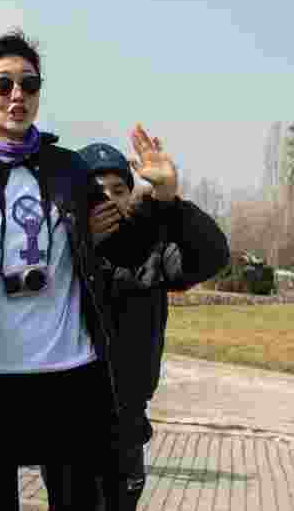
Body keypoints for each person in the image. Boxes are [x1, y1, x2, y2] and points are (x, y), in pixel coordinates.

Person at [0, 31, 170, 510]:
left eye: (29, 84)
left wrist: (159, 197)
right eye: (3, 85)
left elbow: (132, 251)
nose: (17, 95)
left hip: (68, 377)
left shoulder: (70, 172)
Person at [77, 141, 230, 509]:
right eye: (97, 191)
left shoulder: (151, 249)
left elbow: (211, 257)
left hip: (125, 423)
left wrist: (169, 201)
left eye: (119, 190)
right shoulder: (58, 250)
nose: (109, 199)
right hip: (69, 422)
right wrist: (82, 245)